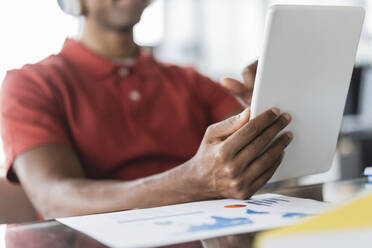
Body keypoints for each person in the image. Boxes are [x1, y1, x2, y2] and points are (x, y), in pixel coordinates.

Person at [0, 0, 293, 220]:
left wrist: (270, 109)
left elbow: (258, 150)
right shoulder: (31, 84)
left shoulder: (190, 81)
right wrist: (191, 183)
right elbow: (53, 199)